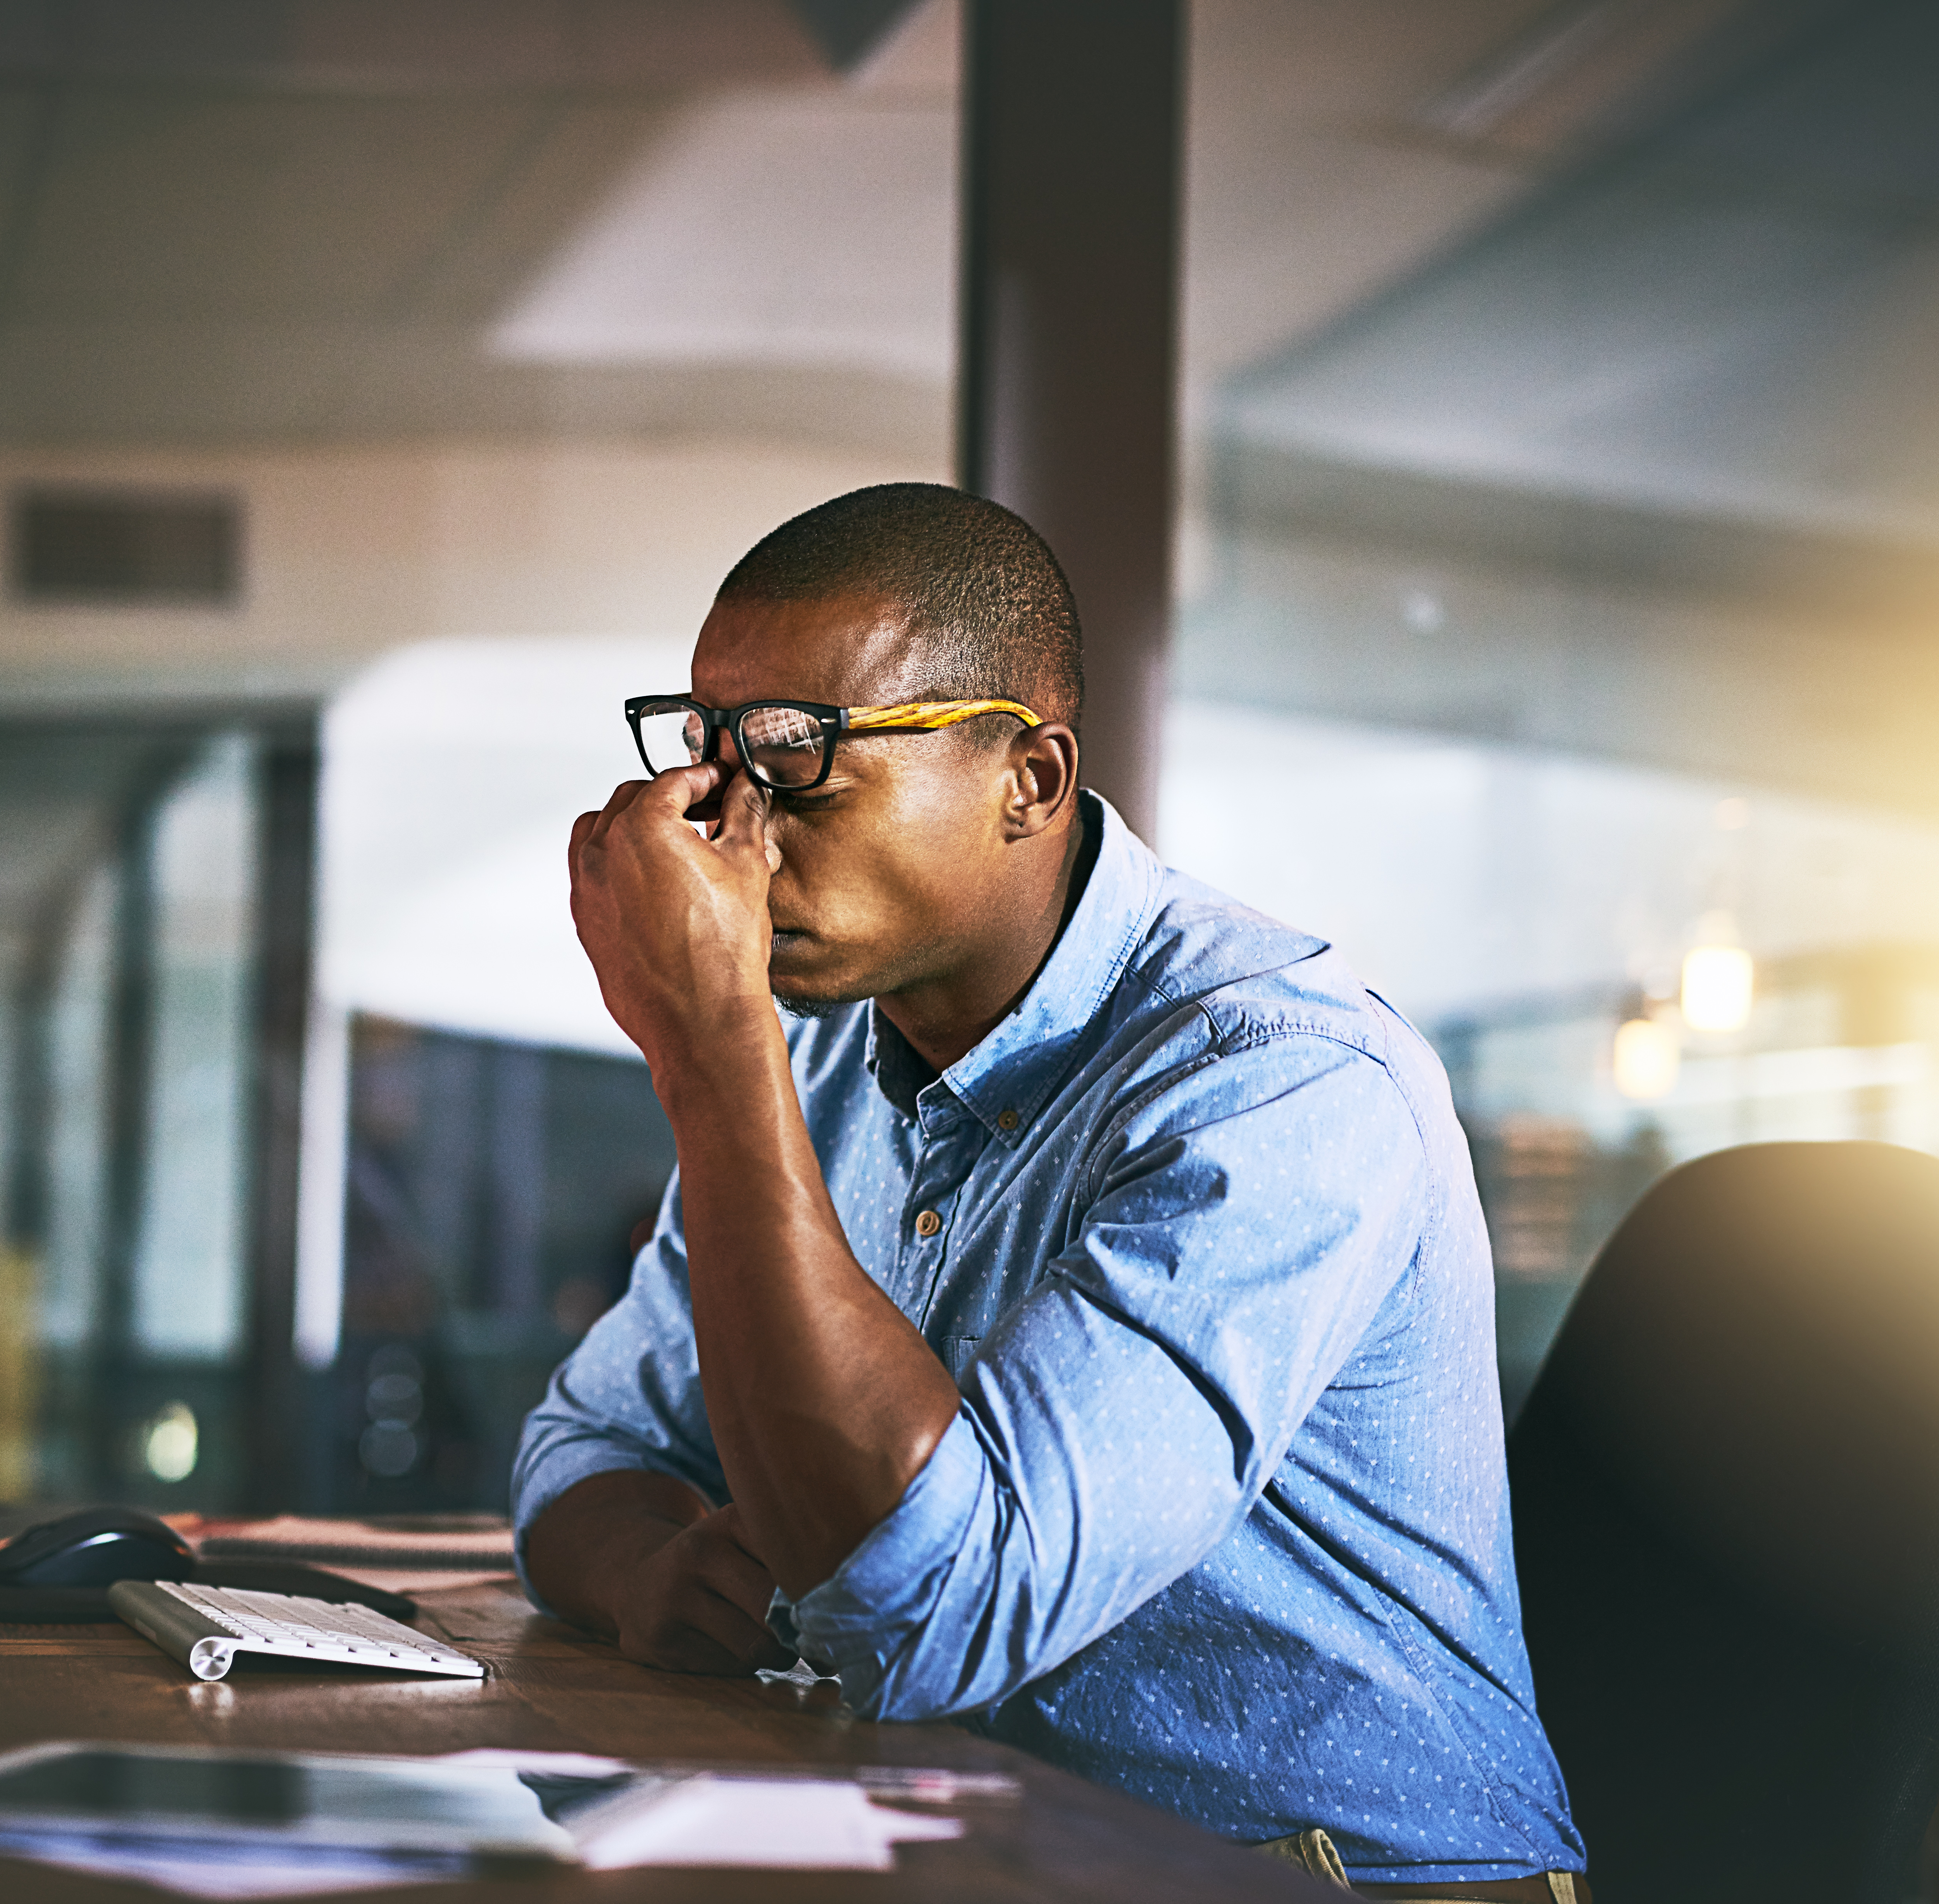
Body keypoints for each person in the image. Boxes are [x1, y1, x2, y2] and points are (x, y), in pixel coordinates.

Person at [514, 484, 1588, 1899]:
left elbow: (933, 1608)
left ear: (1028, 779)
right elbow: (581, 1444)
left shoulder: (1286, 1084)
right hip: (991, 1854)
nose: (731, 837)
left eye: (800, 764)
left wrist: (711, 1049)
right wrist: (651, 1574)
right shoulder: (834, 1057)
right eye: (709, 761)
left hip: (1335, 1878)